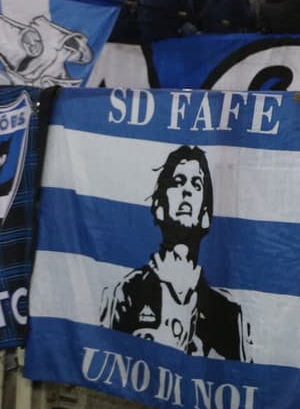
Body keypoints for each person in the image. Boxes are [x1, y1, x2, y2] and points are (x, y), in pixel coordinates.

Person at [100, 145, 252, 361]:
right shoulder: (126, 293)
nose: (187, 190)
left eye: (196, 184)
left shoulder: (227, 312)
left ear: (205, 215)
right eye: (178, 182)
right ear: (159, 207)